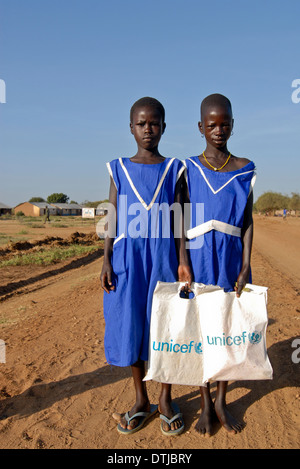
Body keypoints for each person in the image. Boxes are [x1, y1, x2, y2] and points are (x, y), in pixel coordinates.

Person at [100, 97, 191, 435]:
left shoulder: (173, 169)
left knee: (166, 326)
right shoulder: (119, 168)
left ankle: (166, 398)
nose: (148, 129)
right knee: (132, 324)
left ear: (164, 127)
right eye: (141, 124)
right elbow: (111, 216)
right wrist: (106, 258)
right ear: (131, 128)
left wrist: (183, 261)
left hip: (163, 258)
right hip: (127, 259)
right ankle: (141, 399)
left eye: (155, 123)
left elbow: (181, 219)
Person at [184, 93, 256, 435]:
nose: (218, 129)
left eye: (224, 123)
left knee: (228, 330)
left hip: (230, 259)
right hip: (198, 257)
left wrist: (245, 266)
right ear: (200, 127)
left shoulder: (244, 168)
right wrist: (183, 262)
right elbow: (178, 221)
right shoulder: (188, 169)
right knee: (201, 333)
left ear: (232, 124)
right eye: (211, 124)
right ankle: (203, 402)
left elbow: (248, 221)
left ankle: (221, 402)